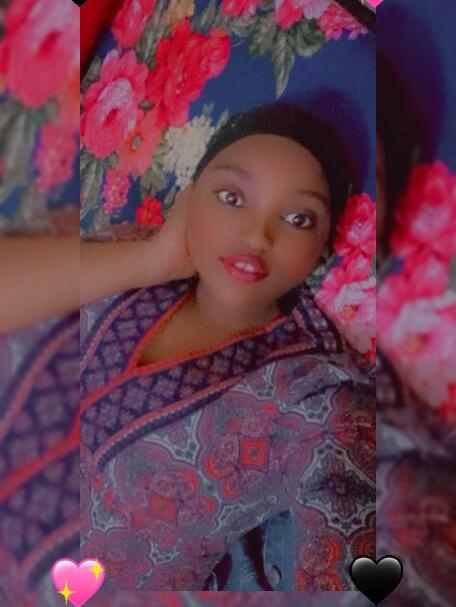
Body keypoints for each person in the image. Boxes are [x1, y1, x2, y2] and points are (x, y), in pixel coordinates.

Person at [80, 103, 375, 591]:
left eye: (298, 217)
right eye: (231, 197)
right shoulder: (126, 254)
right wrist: (151, 259)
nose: (257, 235)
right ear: (190, 199)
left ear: (325, 244)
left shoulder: (321, 398)